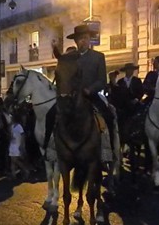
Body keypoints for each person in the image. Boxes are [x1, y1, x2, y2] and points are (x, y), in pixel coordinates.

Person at [44, 23, 115, 155]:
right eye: (80, 38)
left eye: (86, 38)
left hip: (90, 96)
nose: (83, 40)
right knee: (50, 114)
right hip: (71, 97)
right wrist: (54, 47)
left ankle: (110, 151)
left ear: (89, 39)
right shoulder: (70, 56)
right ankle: (48, 149)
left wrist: (90, 90)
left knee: (108, 116)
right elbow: (60, 57)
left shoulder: (98, 57)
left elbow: (102, 81)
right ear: (76, 41)